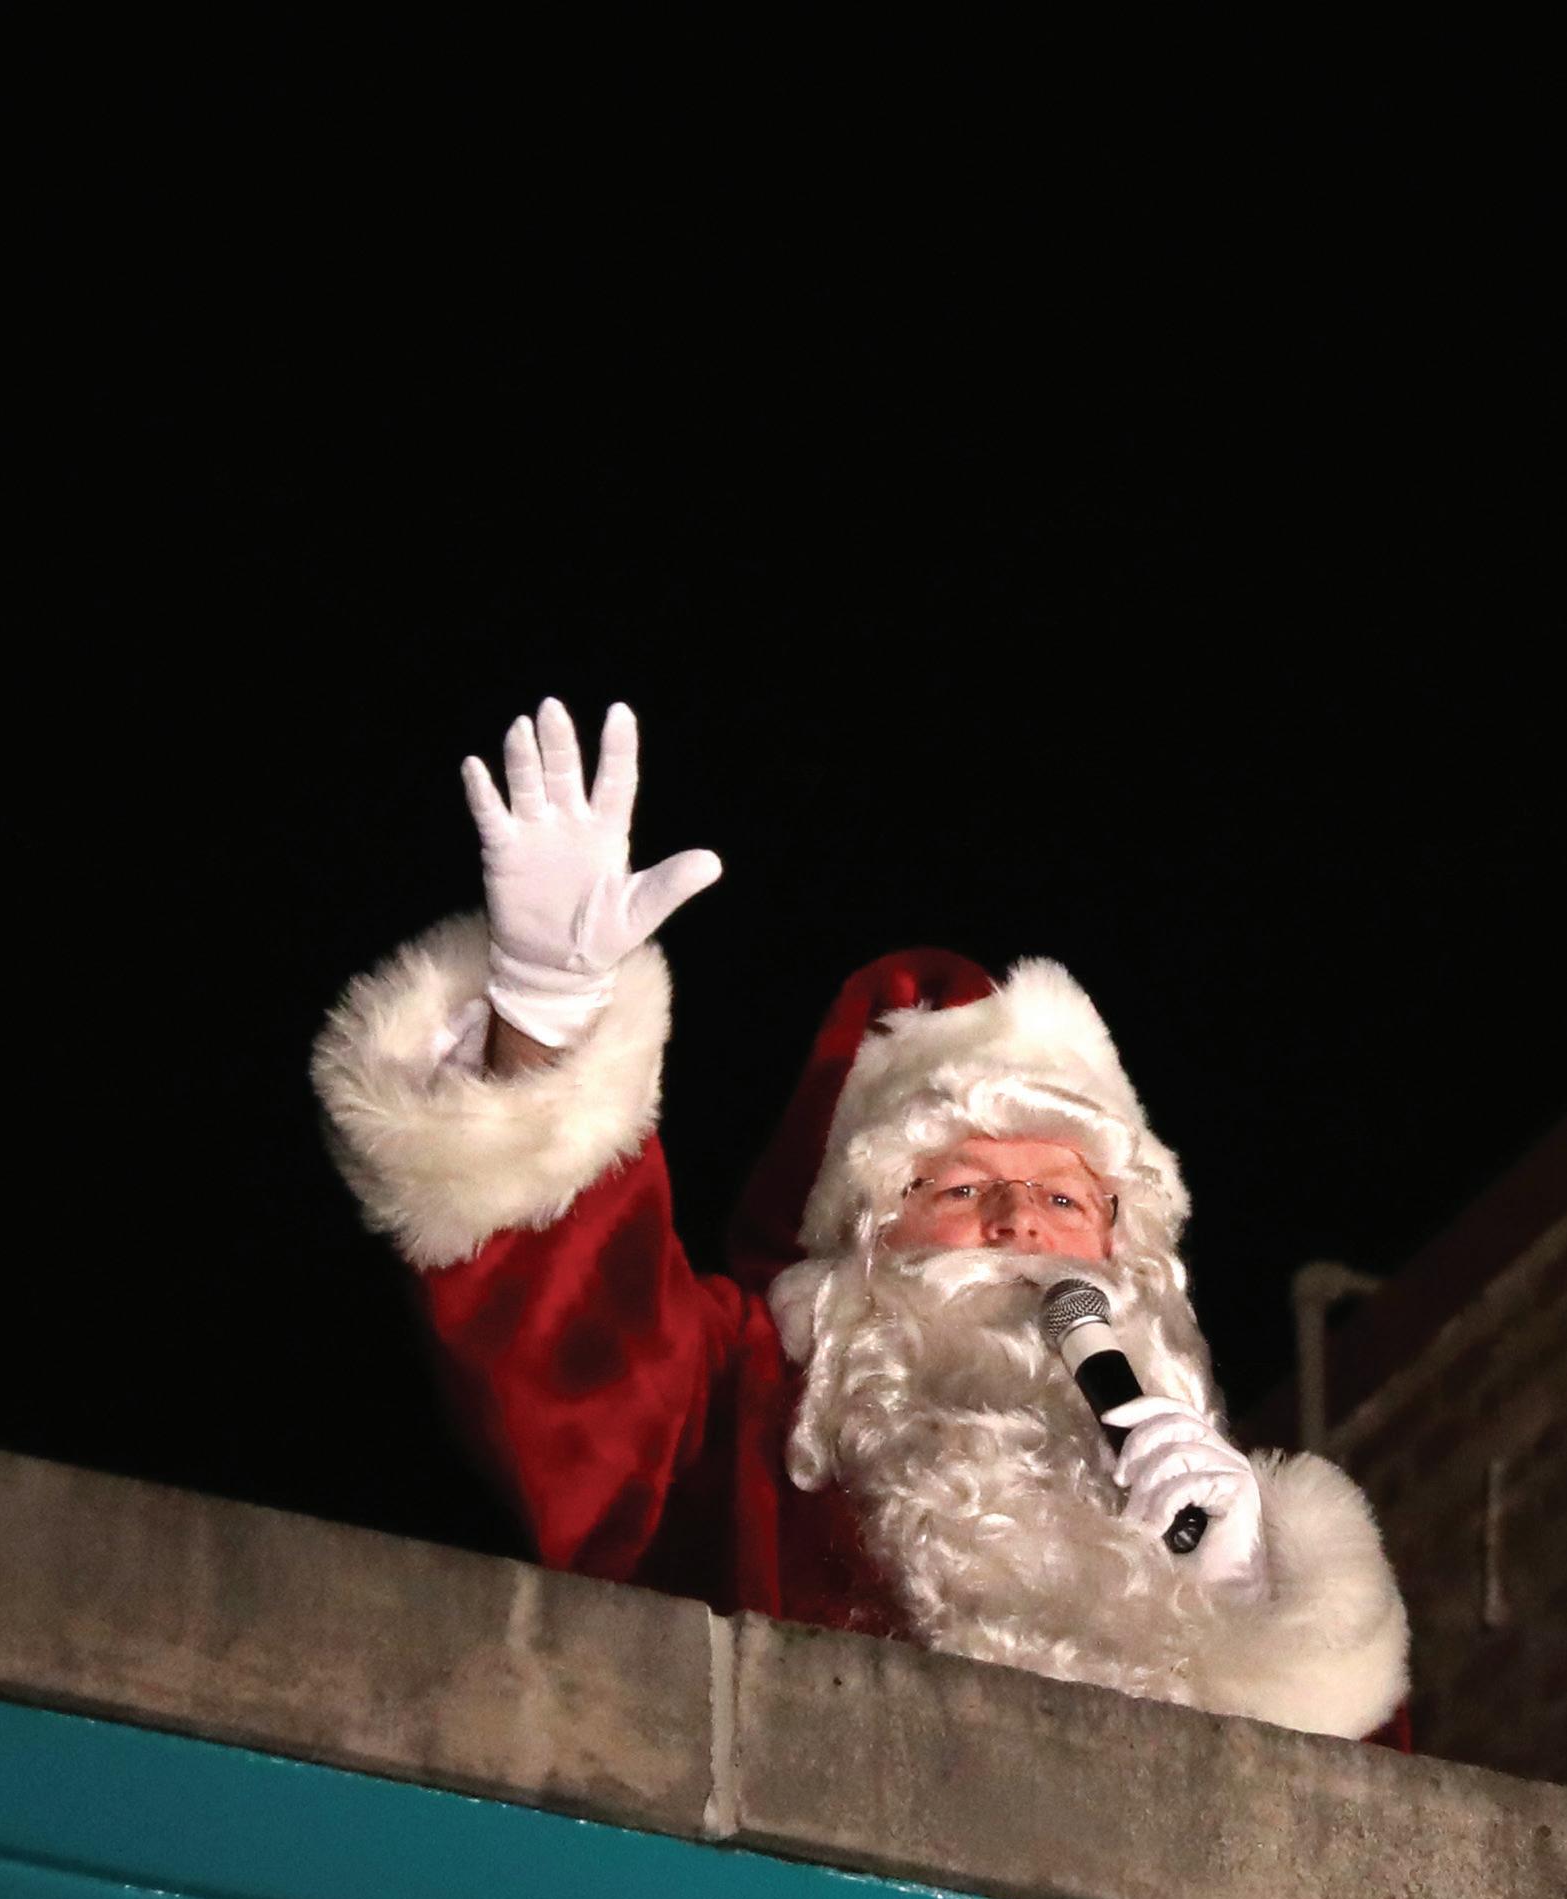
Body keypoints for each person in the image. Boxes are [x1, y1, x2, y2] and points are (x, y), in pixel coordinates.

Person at [313, 700, 1408, 1739]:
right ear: (869, 1238)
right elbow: (569, 1342)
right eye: (962, 1189)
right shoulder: (742, 1411)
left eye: (1064, 1197)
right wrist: (543, 1027)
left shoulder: (1222, 1518)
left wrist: (1258, 1626)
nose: (1019, 1225)